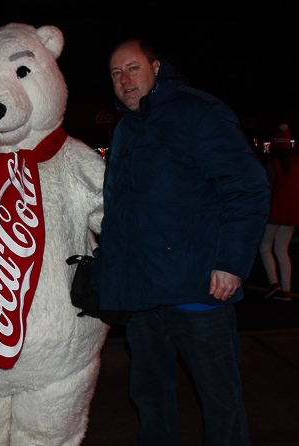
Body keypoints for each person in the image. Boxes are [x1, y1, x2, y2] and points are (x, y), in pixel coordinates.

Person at [92, 40, 270, 446]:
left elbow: (248, 187)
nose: (125, 80)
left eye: (133, 68)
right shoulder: (124, 129)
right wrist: (107, 272)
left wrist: (232, 262)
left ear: (156, 67)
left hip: (196, 291)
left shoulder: (197, 112)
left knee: (219, 400)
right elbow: (121, 211)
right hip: (142, 293)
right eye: (117, 73)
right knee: (150, 398)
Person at [259, 124, 299, 301]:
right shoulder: (297, 163)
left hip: (274, 212)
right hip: (292, 213)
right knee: (282, 249)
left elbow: (266, 189)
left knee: (265, 246)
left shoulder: (273, 164)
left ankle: (274, 283)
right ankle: (287, 289)